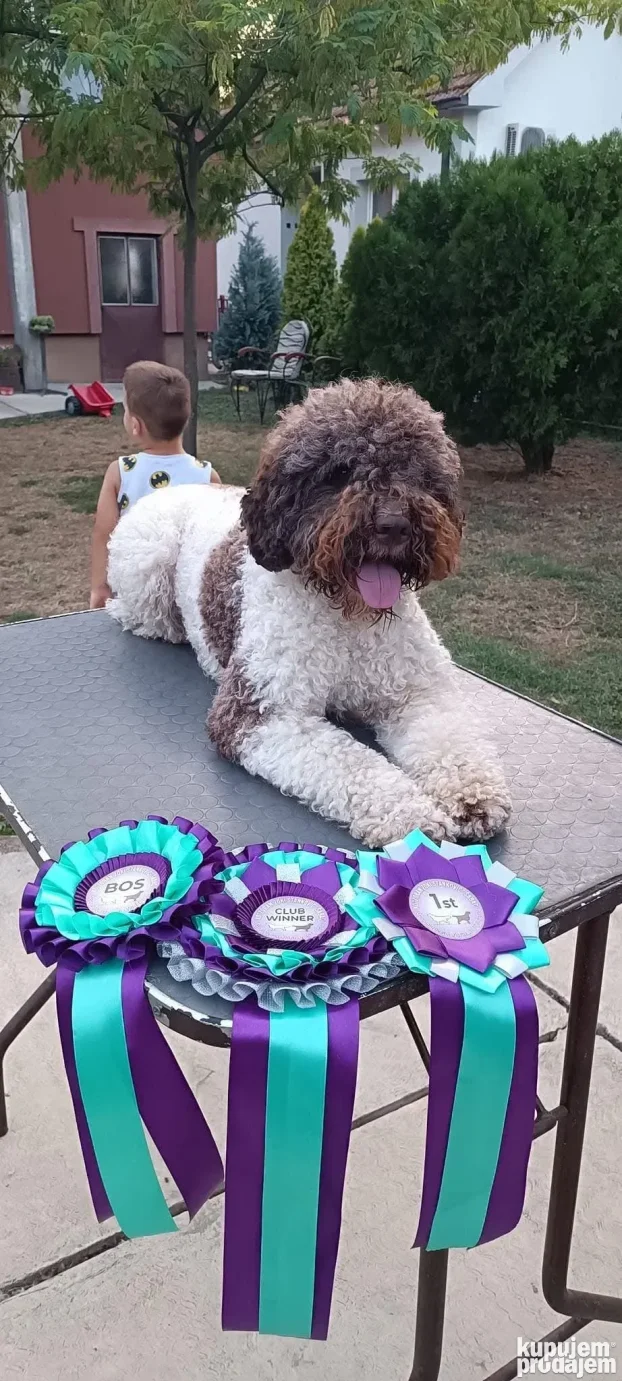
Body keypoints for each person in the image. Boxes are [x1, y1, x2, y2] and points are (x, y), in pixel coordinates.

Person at [90, 360, 221, 609]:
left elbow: (103, 532)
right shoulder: (207, 477)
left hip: (133, 595)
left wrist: (100, 588)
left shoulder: (120, 472)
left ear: (136, 426)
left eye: (126, 410)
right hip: (187, 597)